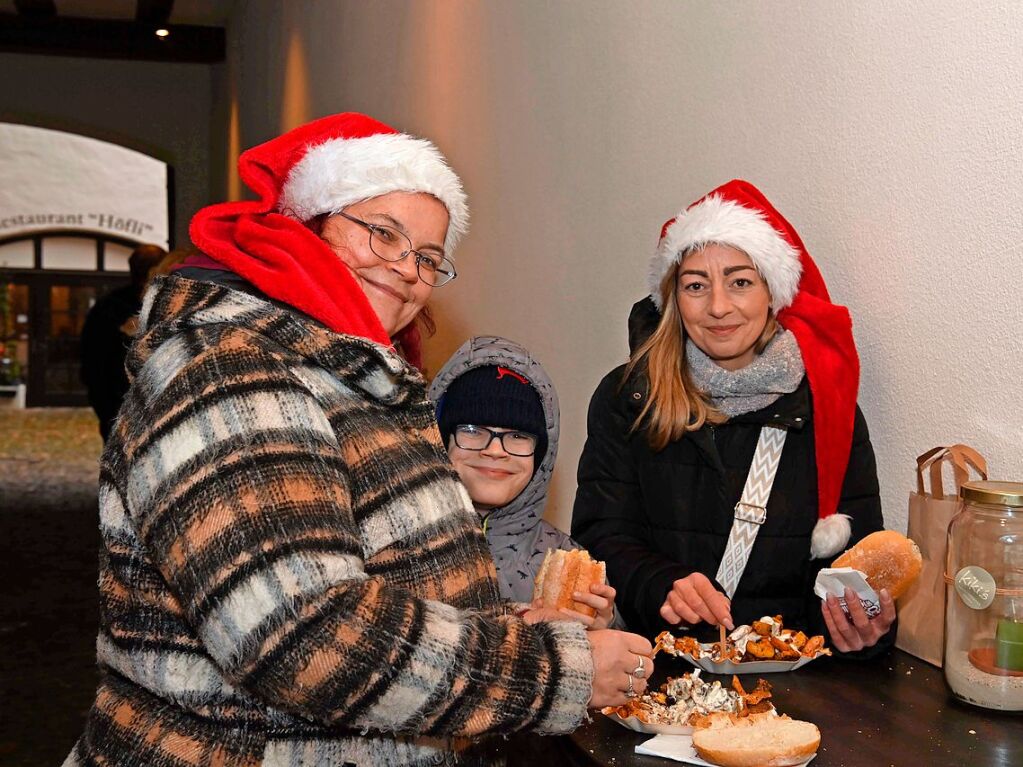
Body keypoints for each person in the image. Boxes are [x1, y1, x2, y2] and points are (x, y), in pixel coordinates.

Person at [64, 113, 653, 767]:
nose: (405, 267)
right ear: (304, 228)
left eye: (428, 257)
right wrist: (551, 671)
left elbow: (379, 589)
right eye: (381, 233)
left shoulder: (351, 383)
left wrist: (507, 630)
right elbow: (303, 637)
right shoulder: (226, 364)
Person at [572, 179, 895, 656]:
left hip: (791, 688)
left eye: (740, 282)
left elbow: (853, 570)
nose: (718, 307)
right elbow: (601, 537)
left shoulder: (828, 410)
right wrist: (663, 584)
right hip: (658, 673)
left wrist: (865, 631)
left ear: (773, 292)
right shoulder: (630, 399)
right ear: (674, 300)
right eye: (696, 286)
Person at [429, 336, 616, 627]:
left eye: (518, 436)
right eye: (472, 429)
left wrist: (603, 632)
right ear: (440, 439)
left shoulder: (570, 559)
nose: (493, 449)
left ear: (541, 453)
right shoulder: (399, 549)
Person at [79, 243, 166, 441]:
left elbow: (90, 364)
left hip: (129, 407)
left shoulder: (108, 306)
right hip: (122, 407)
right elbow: (93, 364)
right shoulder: (110, 308)